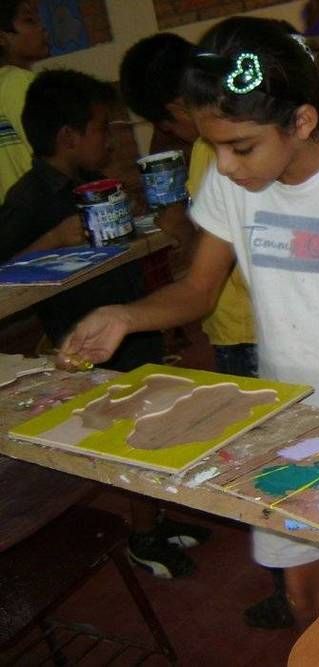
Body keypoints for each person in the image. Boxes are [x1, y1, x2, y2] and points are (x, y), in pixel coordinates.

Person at [57, 16, 319, 629]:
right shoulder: (237, 186)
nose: (224, 166)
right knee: (307, 596)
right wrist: (124, 314)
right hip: (286, 424)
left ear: (301, 122)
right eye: (213, 147)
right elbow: (199, 290)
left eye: (241, 147)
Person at [0, 68, 210, 579]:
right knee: (127, 436)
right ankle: (140, 532)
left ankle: (154, 518)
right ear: (68, 137)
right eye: (101, 128)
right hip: (89, 338)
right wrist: (52, 241)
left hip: (128, 323)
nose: (112, 138)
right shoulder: (30, 199)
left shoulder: (87, 188)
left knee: (157, 421)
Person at [119, 33, 257, 378]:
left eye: (168, 126)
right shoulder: (229, 142)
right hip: (239, 324)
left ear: (178, 108)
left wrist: (180, 227)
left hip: (244, 326)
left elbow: (213, 259)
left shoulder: (209, 150)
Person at [0, 0, 47, 201]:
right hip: (42, 219)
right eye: (29, 21)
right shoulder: (19, 82)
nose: (42, 28)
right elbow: (55, 158)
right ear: (2, 37)